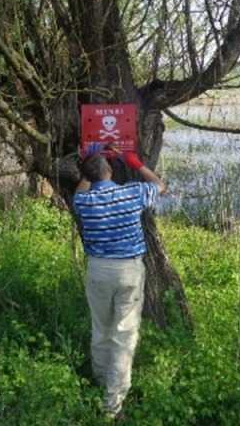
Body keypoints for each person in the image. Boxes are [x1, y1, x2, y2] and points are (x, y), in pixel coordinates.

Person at [73, 145, 166, 419]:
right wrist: (135, 163)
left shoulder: (83, 201)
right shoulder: (132, 193)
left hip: (98, 271)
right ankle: (112, 405)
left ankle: (101, 381)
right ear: (111, 170)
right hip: (128, 271)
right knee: (124, 336)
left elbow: (81, 187)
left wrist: (86, 162)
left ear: (88, 176)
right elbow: (159, 186)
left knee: (100, 329)